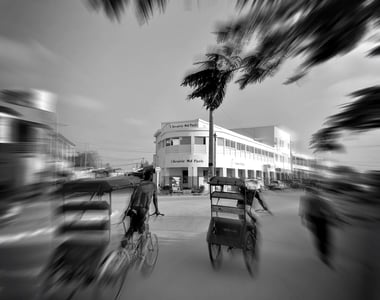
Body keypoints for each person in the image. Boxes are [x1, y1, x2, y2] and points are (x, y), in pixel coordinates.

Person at [299, 185, 339, 266]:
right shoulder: (322, 199)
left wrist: (303, 219)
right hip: (321, 219)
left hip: (311, 219)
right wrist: (334, 219)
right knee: (323, 236)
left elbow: (303, 209)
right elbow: (330, 210)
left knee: (318, 235)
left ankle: (322, 251)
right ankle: (324, 251)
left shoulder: (306, 199)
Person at [123, 166, 161, 243]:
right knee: (143, 230)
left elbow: (132, 196)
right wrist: (157, 210)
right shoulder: (153, 185)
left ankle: (124, 242)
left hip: (133, 208)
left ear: (144, 176)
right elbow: (155, 199)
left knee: (132, 227)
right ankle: (142, 253)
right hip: (143, 209)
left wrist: (128, 208)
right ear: (150, 177)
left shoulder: (138, 184)